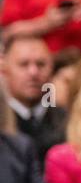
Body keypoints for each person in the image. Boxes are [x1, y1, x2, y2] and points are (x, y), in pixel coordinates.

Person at [1, 34, 67, 162]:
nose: (33, 72)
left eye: (41, 64)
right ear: (4, 69)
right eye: (23, 64)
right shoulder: (2, 123)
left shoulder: (68, 122)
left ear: (52, 69)